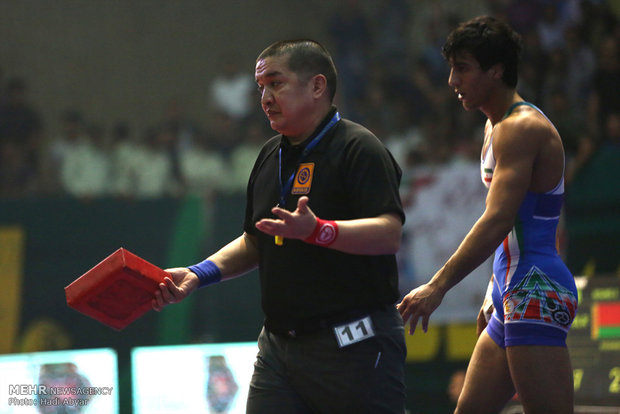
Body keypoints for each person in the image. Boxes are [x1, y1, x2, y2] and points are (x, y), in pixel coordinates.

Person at [153, 39, 407, 413]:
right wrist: (198, 273)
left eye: (276, 83)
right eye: (261, 88)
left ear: (317, 86)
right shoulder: (270, 155)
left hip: (354, 342)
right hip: (277, 349)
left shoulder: (360, 148)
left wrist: (318, 230)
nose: (265, 98)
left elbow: (390, 234)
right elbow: (255, 241)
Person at [397, 16, 578, 414]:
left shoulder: (521, 127)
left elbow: (499, 219)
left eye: (462, 68)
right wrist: (492, 288)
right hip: (511, 286)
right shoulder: (492, 126)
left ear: (496, 70)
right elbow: (510, 225)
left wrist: (437, 286)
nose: (451, 81)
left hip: (535, 286)